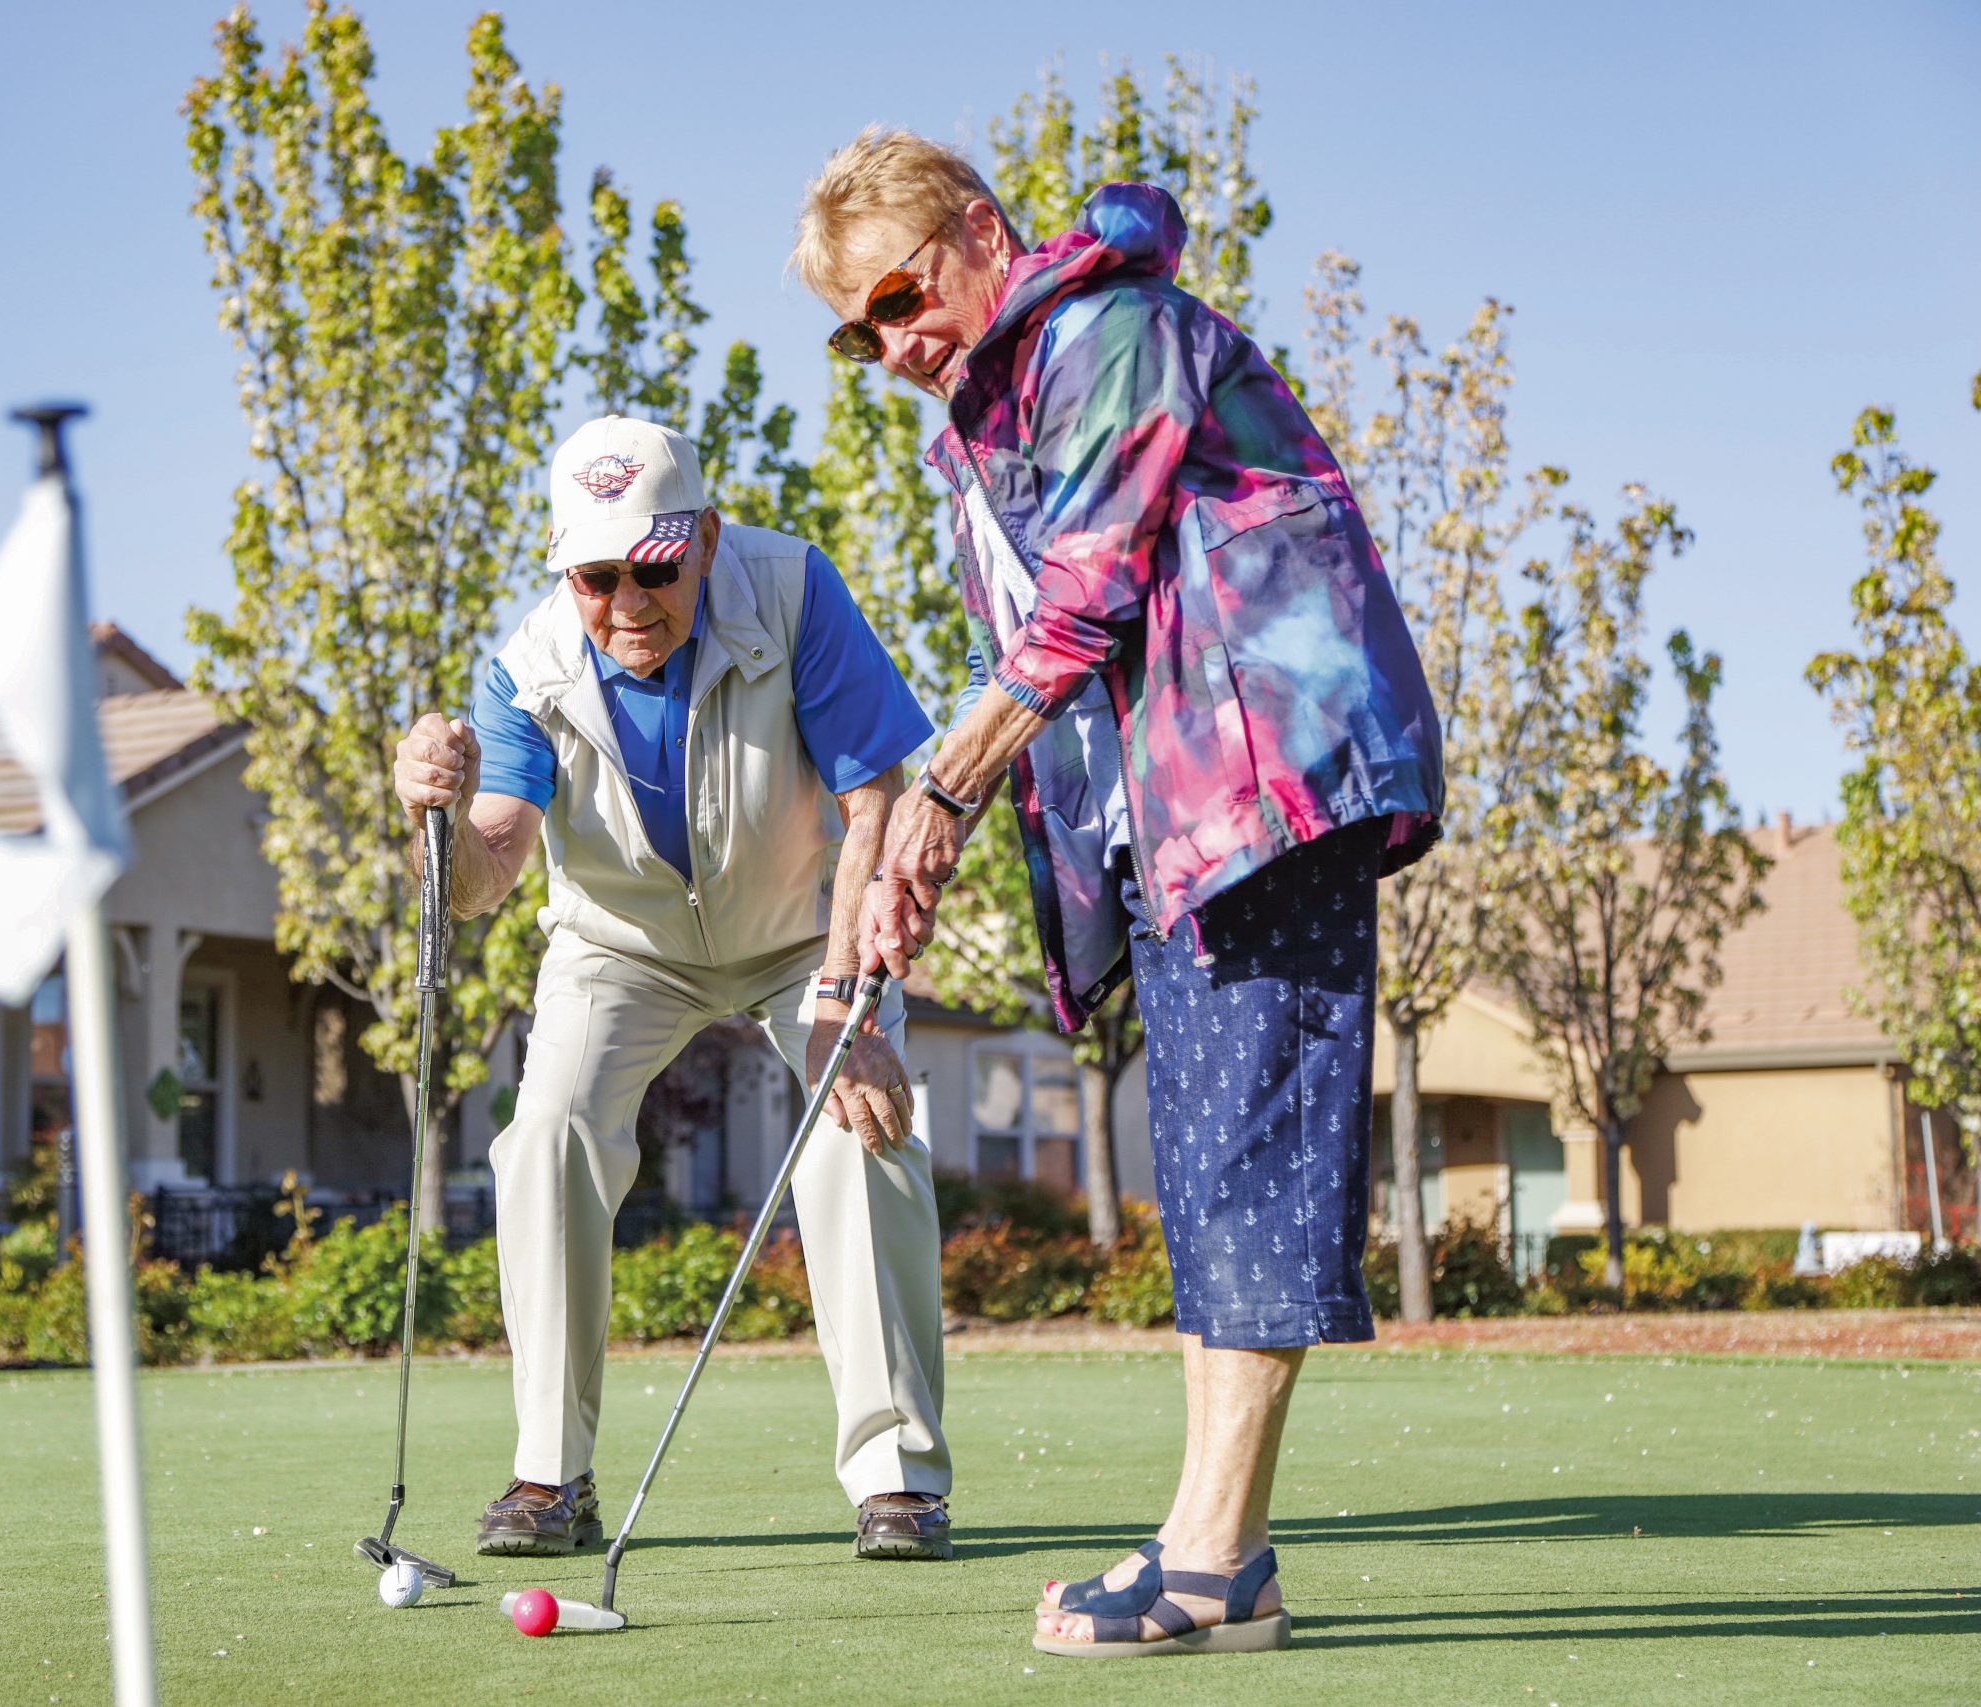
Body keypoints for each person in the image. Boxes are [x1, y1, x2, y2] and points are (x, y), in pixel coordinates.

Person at [792, 130, 1444, 1656]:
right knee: (1213, 1162)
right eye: (859, 329)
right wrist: (930, 848)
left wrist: (936, 803)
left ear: (978, 232)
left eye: (900, 296)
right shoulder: (978, 421)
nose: (893, 344)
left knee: (1253, 1156)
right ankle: (1224, 1548)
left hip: (1266, 784)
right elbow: (1042, 660)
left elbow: (1089, 596)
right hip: (1171, 817)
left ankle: (1214, 1558)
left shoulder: (1111, 330)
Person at [391, 413, 957, 1562]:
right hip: (622, 943)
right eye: (596, 577)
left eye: (653, 568)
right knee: (545, 1129)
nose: (628, 604)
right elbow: (484, 879)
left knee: (860, 1126)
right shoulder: (525, 667)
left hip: (804, 929)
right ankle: (551, 1477)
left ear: (701, 536)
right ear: (564, 564)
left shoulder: (793, 589)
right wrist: (433, 820)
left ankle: (898, 1480)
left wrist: (848, 1002)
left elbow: (875, 803)